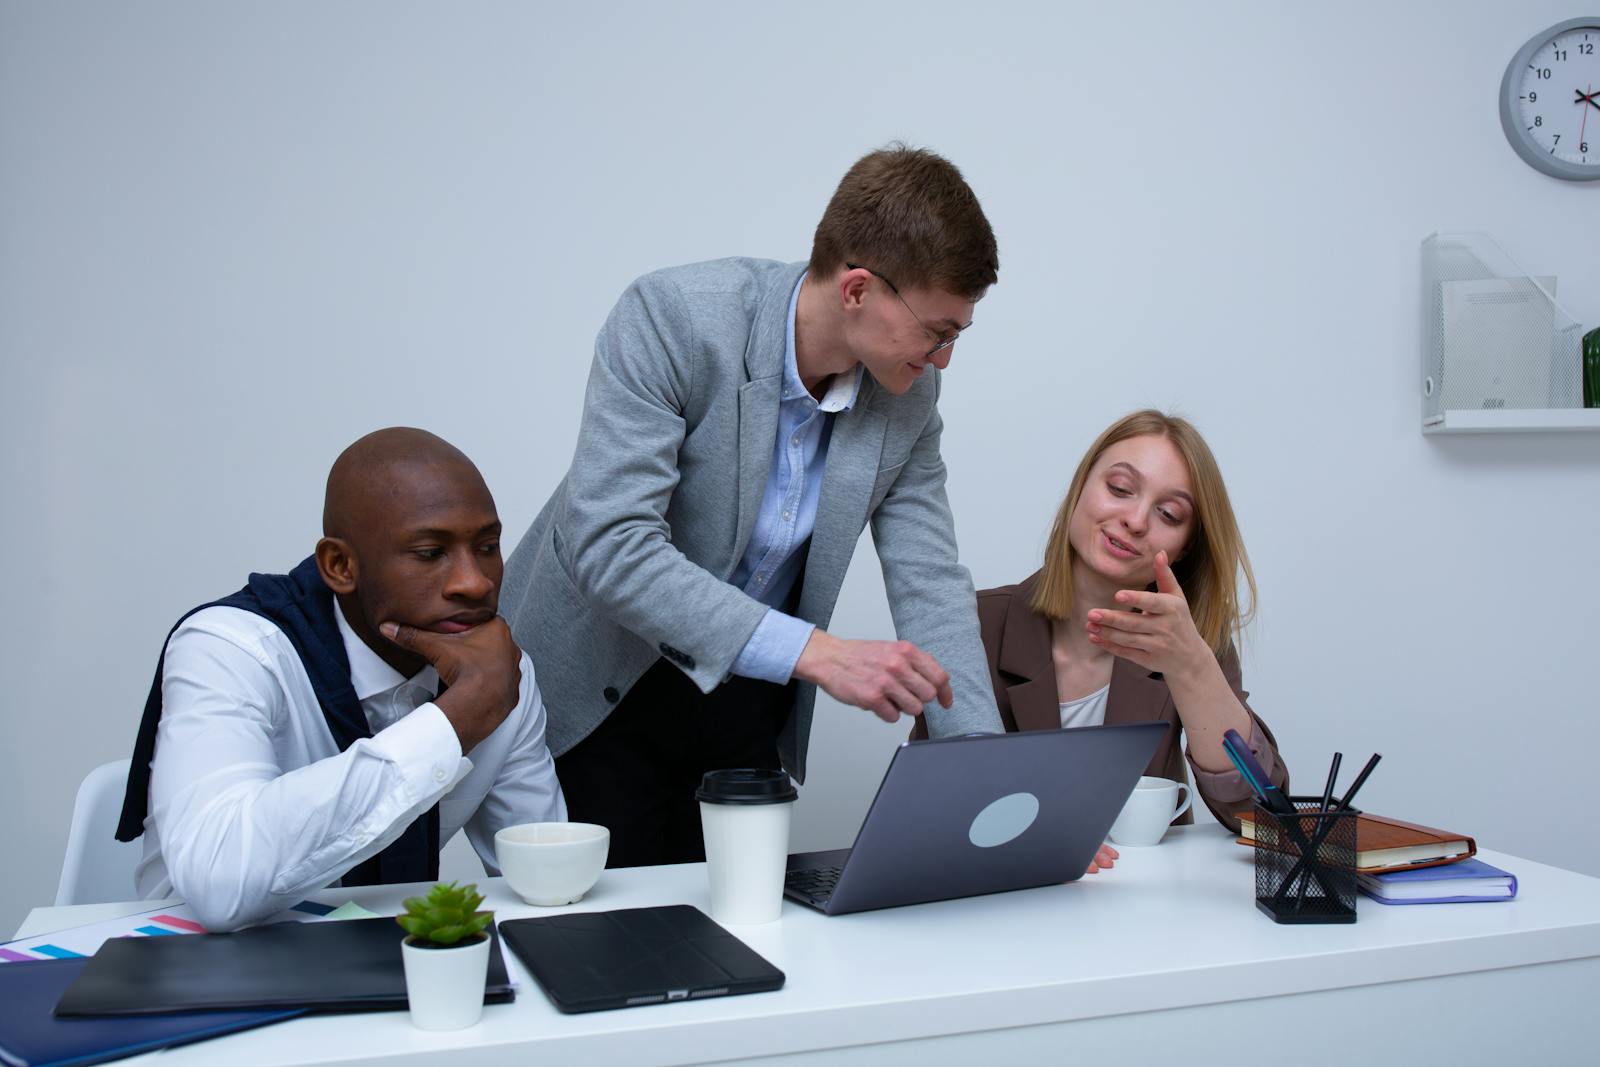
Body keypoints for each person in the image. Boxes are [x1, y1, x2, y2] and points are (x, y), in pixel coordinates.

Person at [501, 144, 1006, 867]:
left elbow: (930, 580)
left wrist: (984, 775)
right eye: (937, 331)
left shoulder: (908, 396)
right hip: (600, 688)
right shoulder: (675, 318)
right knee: (604, 950)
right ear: (858, 289)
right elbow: (610, 547)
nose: (944, 358)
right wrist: (818, 652)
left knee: (740, 940)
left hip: (745, 699)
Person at [116, 428, 566, 930]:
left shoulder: (498, 672)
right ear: (339, 566)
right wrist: (453, 723)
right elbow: (221, 883)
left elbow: (542, 874)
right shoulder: (231, 649)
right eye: (429, 552)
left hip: (397, 972)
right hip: (199, 967)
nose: (475, 581)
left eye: (486, 546)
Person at [913, 410, 1288, 844]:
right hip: (1000, 898)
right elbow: (928, 802)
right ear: (1080, 489)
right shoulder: (970, 623)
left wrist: (1192, 668)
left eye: (1168, 514)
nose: (1136, 520)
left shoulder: (1190, 639)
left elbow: (1258, 816)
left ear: (1187, 548)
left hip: (1138, 903)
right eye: (1120, 488)